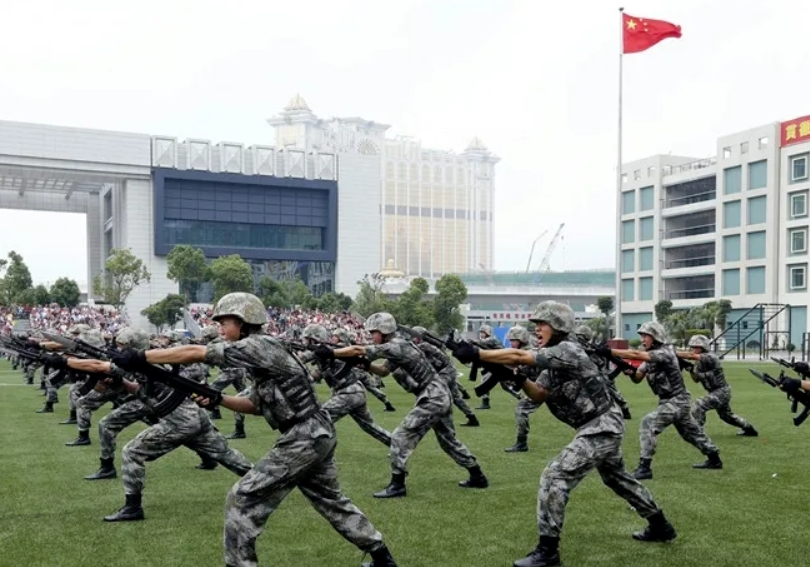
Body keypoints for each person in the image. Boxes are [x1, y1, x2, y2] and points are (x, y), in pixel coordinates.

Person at [111, 292, 397, 567]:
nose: (220, 329)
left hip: (304, 435)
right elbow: (254, 404)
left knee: (242, 499)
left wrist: (142, 357)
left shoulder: (259, 345)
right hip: (314, 434)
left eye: (224, 323)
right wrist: (218, 398)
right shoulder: (261, 360)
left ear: (242, 321)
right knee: (332, 502)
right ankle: (382, 556)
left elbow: (197, 352)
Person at [450, 301, 676, 567]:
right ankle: (660, 525)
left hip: (602, 425)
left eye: (542, 324)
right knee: (618, 479)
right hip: (596, 425)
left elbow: (521, 356)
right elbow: (539, 394)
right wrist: (518, 378)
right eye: (535, 325)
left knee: (555, 475)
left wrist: (477, 353)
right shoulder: (553, 361)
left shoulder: (568, 350)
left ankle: (548, 551)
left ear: (558, 326)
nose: (536, 330)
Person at [320, 312, 488, 498]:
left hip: (433, 395)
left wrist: (331, 352)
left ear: (384, 330)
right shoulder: (397, 345)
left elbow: (358, 350)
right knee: (448, 441)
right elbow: (384, 371)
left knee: (400, 437)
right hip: (438, 393)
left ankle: (397, 484)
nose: (371, 336)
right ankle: (477, 475)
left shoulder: (396, 345)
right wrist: (367, 366)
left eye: (373, 332)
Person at [600, 322, 722, 480]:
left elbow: (635, 354)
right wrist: (629, 372)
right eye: (642, 336)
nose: (642, 339)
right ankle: (714, 458)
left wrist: (608, 351)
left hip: (677, 399)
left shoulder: (665, 353)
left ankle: (644, 467)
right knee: (690, 433)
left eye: (646, 336)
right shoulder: (649, 358)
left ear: (656, 337)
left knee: (648, 423)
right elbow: (638, 378)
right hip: (670, 401)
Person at [677, 334, 758, 436]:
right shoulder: (698, 363)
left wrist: (672, 353)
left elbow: (690, 356)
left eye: (696, 347)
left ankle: (697, 432)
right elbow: (696, 379)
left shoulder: (711, 357)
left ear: (703, 347)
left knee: (699, 405)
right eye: (692, 347)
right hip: (715, 392)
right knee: (726, 416)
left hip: (721, 391)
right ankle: (749, 428)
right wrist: (690, 370)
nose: (693, 349)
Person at [503, 325, 542, 452]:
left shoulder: (528, 352)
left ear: (522, 340)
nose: (511, 343)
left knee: (521, 409)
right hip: (539, 386)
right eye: (510, 340)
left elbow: (523, 371)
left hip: (544, 387)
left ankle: (522, 443)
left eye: (513, 340)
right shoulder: (523, 351)